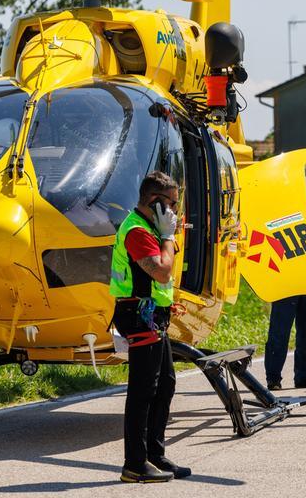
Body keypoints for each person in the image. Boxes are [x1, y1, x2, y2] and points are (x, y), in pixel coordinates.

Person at [109, 171, 190, 483]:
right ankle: (134, 464)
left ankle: (154, 455)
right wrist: (168, 236)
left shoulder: (150, 228)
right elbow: (161, 272)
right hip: (139, 315)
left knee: (165, 384)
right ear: (156, 201)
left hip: (154, 314)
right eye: (172, 203)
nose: (175, 210)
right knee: (143, 390)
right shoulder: (138, 231)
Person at [265, 176, 306, 391]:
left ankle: (304, 376)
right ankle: (273, 378)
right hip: (287, 284)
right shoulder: (284, 216)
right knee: (280, 332)